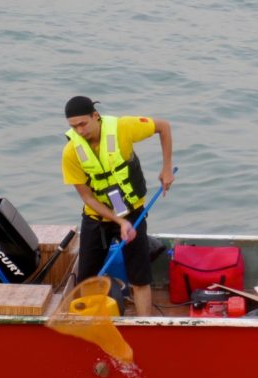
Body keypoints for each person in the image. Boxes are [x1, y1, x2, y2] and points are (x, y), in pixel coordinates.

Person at [62, 95, 175, 316]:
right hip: (97, 217)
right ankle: (92, 325)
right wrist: (118, 221)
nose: (80, 131)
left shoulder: (123, 128)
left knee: (140, 278)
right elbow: (88, 198)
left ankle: (145, 327)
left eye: (83, 124)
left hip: (133, 213)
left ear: (96, 116)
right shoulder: (71, 152)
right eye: (73, 127)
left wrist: (167, 168)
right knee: (86, 281)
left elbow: (164, 126)